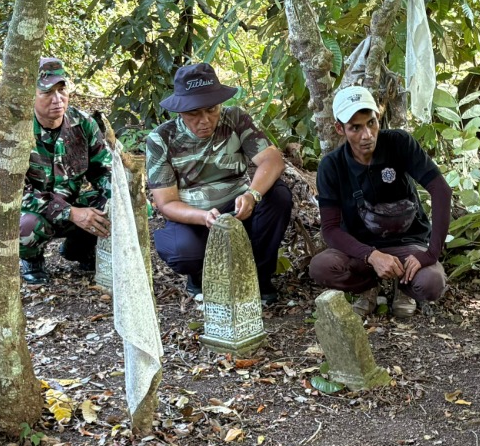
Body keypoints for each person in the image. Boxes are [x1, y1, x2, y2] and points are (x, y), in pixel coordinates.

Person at [144, 63, 292, 302]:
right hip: (194, 215)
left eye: (211, 110)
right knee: (182, 253)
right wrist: (202, 217)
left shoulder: (235, 119)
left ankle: (259, 277)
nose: (205, 120)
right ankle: (199, 275)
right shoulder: (161, 138)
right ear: (180, 111)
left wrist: (252, 195)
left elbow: (272, 161)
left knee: (278, 196)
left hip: (237, 205)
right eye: (194, 113)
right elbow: (166, 202)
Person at [309, 86, 450, 318]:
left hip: (408, 242)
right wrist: (371, 255)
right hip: (360, 248)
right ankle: (367, 288)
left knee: (431, 283)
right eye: (356, 128)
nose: (367, 135)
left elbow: (441, 190)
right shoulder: (331, 166)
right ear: (339, 129)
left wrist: (430, 254)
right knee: (322, 267)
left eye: (371, 123)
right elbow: (331, 229)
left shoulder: (399, 143)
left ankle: (404, 287)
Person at [19, 56, 112, 284]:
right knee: (25, 226)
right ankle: (32, 258)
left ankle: (79, 250)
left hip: (74, 201)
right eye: (47, 93)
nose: (58, 99)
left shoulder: (83, 123)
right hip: (37, 211)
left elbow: (104, 170)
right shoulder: (16, 133)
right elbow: (19, 195)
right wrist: (71, 213)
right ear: (31, 96)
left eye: (62, 90)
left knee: (117, 205)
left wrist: (113, 199)